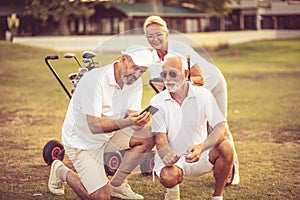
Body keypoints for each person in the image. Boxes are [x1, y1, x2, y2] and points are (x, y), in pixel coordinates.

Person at [48, 45, 155, 199]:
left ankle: (117, 185)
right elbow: (94, 126)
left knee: (149, 135)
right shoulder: (93, 81)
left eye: (142, 71)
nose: (137, 74)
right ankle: (61, 171)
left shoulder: (134, 83)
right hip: (82, 141)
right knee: (101, 198)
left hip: (109, 135)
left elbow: (131, 116)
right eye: (135, 68)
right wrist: (127, 122)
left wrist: (139, 121)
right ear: (123, 59)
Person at [143, 15, 240, 185]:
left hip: (212, 84)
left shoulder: (180, 48)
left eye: (158, 34)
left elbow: (199, 78)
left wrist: (180, 83)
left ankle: (232, 172)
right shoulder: (153, 58)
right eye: (150, 35)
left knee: (218, 126)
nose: (154, 39)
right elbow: (159, 86)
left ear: (166, 34)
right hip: (189, 91)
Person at [150, 55, 234, 200]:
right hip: (173, 159)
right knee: (168, 177)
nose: (168, 79)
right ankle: (172, 192)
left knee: (227, 147)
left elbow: (222, 127)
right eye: (164, 75)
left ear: (186, 74)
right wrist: (168, 156)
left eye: (173, 73)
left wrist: (201, 147)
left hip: (200, 154)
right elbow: (160, 139)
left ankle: (218, 196)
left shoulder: (204, 94)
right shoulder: (157, 101)